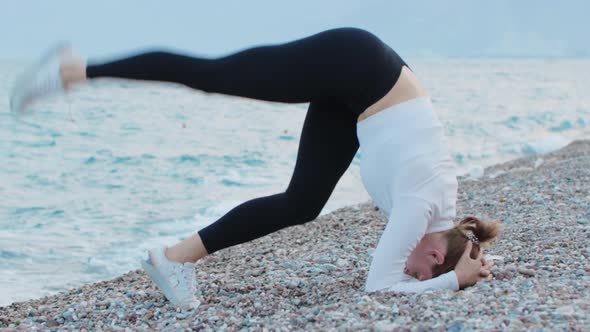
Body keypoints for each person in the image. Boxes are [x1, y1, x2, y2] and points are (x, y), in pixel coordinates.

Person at [10, 27, 501, 309]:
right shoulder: (421, 211)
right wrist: (453, 282)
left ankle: (174, 258)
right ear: (435, 257)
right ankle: (75, 69)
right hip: (356, 66)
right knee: (213, 75)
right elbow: (382, 288)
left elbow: (454, 255)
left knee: (302, 203)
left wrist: (468, 264)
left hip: (361, 94)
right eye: (422, 275)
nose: (411, 275)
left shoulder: (442, 219)